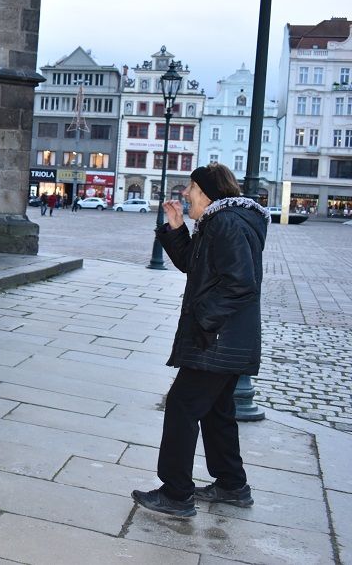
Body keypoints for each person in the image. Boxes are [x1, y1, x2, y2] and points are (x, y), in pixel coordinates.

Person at [132, 163, 268, 518]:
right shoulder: (223, 222)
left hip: (217, 340)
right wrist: (177, 229)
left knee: (181, 406)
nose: (186, 195)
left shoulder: (225, 223)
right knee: (217, 410)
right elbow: (198, 267)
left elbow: (241, 282)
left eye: (190, 188)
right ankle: (232, 484)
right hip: (225, 338)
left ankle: (176, 494)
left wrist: (203, 318)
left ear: (207, 192)